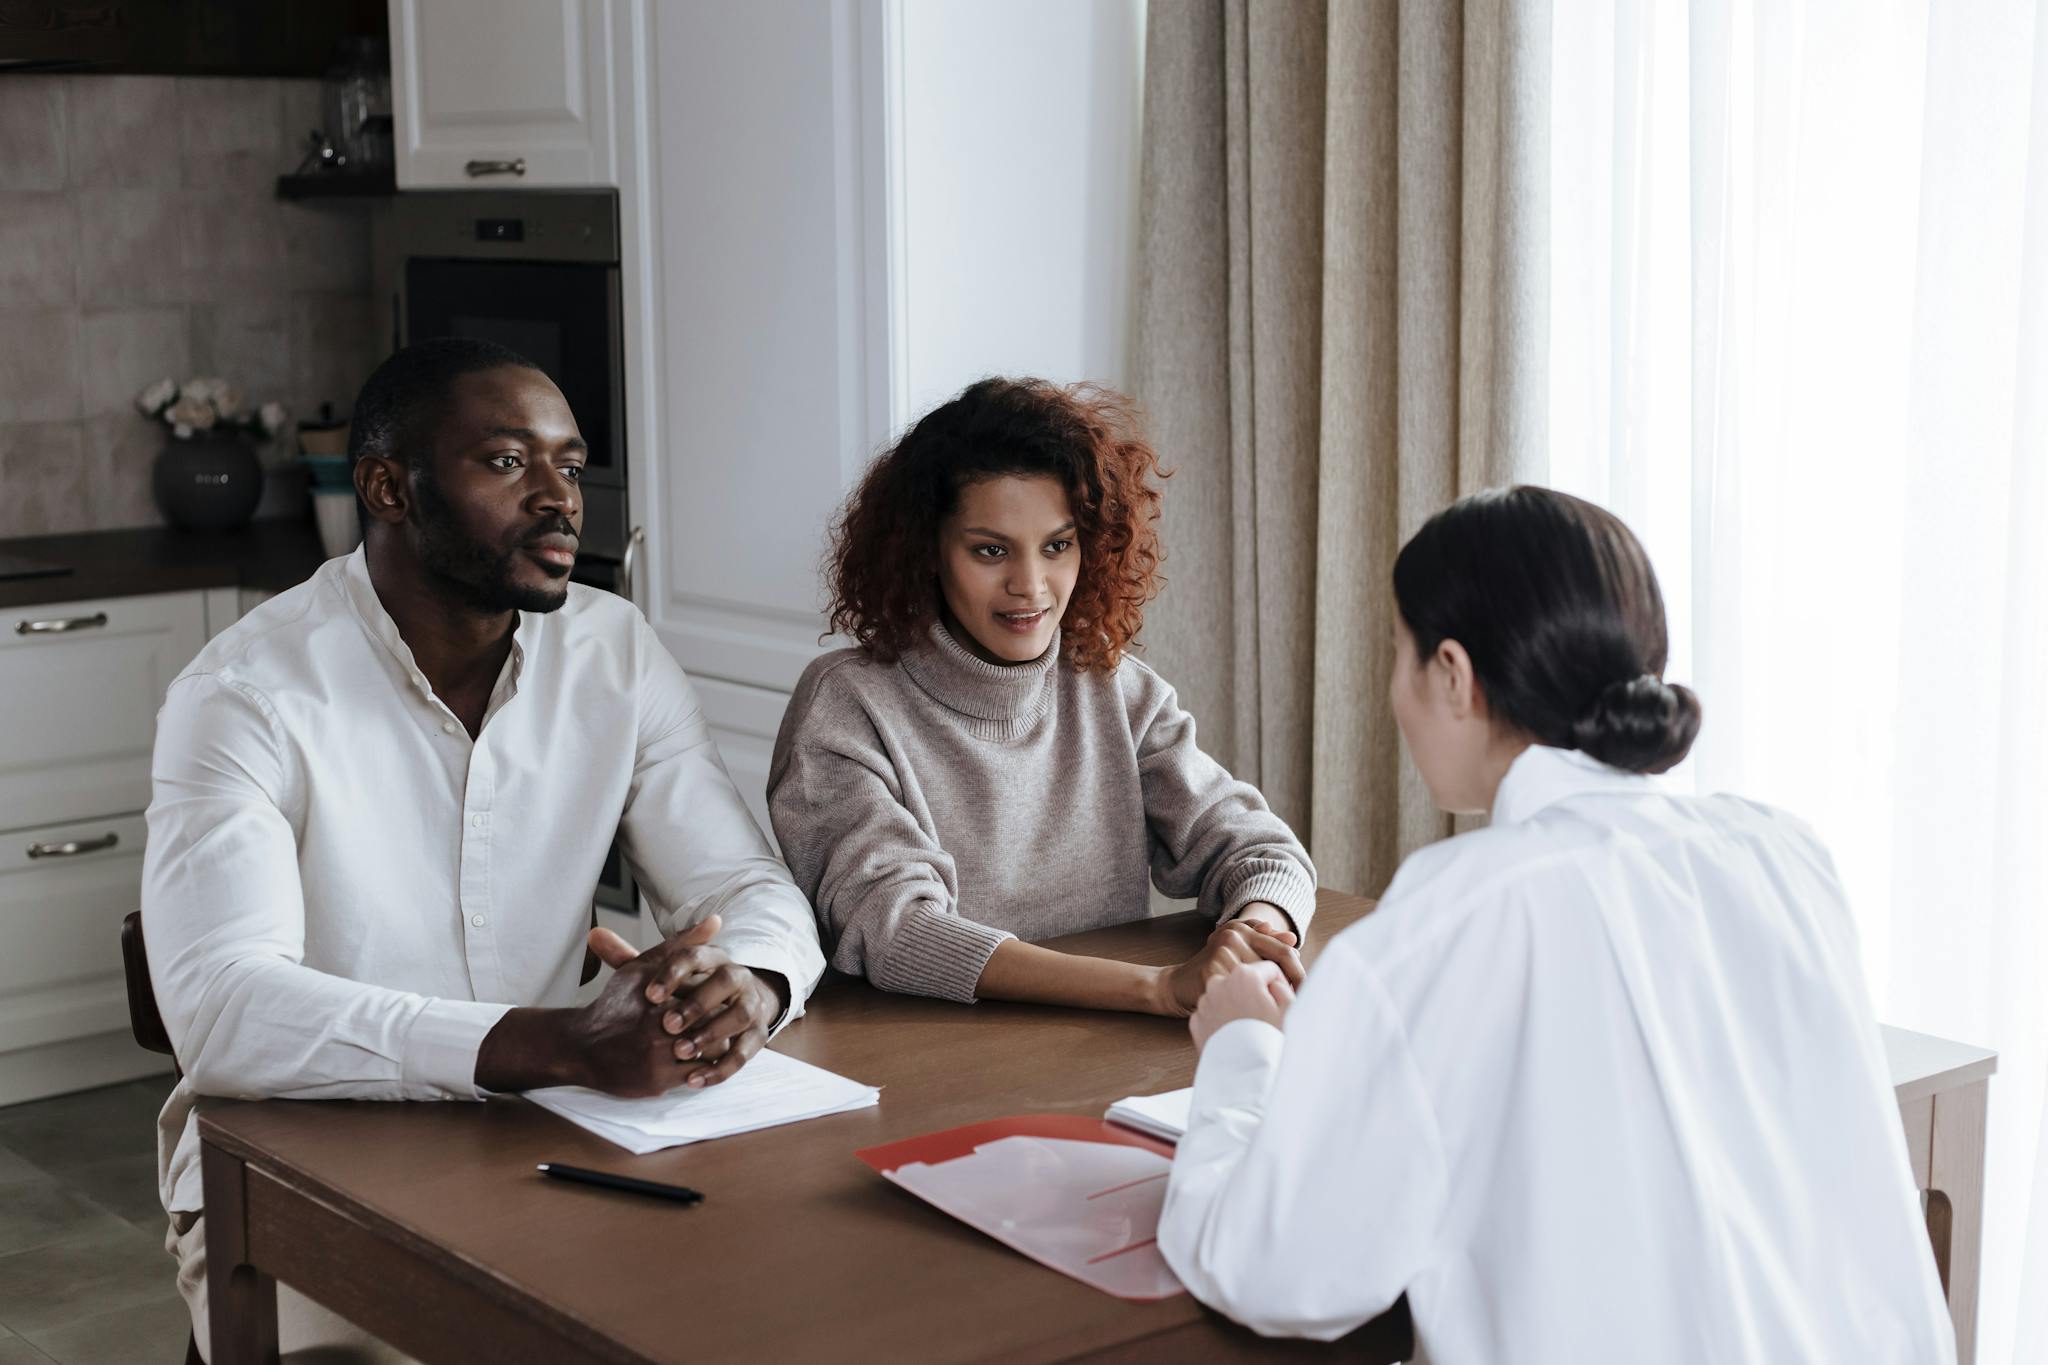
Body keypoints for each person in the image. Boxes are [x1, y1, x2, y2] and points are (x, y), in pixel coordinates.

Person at [144, 338, 826, 1362]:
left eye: (569, 460)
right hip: (298, 1177)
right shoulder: (241, 696)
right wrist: (556, 1043)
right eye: (508, 462)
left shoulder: (614, 653)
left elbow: (741, 885)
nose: (560, 497)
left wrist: (749, 983)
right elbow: (223, 1011)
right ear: (388, 486)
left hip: (554, 1147)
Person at [1157, 486, 1954, 1364]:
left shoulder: (1456, 910)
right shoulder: (1781, 853)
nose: (1393, 691)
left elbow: (1278, 1270)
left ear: (1453, 674)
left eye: (1398, 653)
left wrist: (1241, 1048)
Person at [767, 377, 1316, 1015]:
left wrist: (1255, 933)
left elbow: (1261, 849)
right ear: (927, 552)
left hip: (1103, 1057)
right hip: (923, 1069)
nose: (1030, 586)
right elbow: (895, 930)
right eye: (991, 550)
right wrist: (1157, 988)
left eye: (1057, 546)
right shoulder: (847, 706)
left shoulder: (1118, 690)